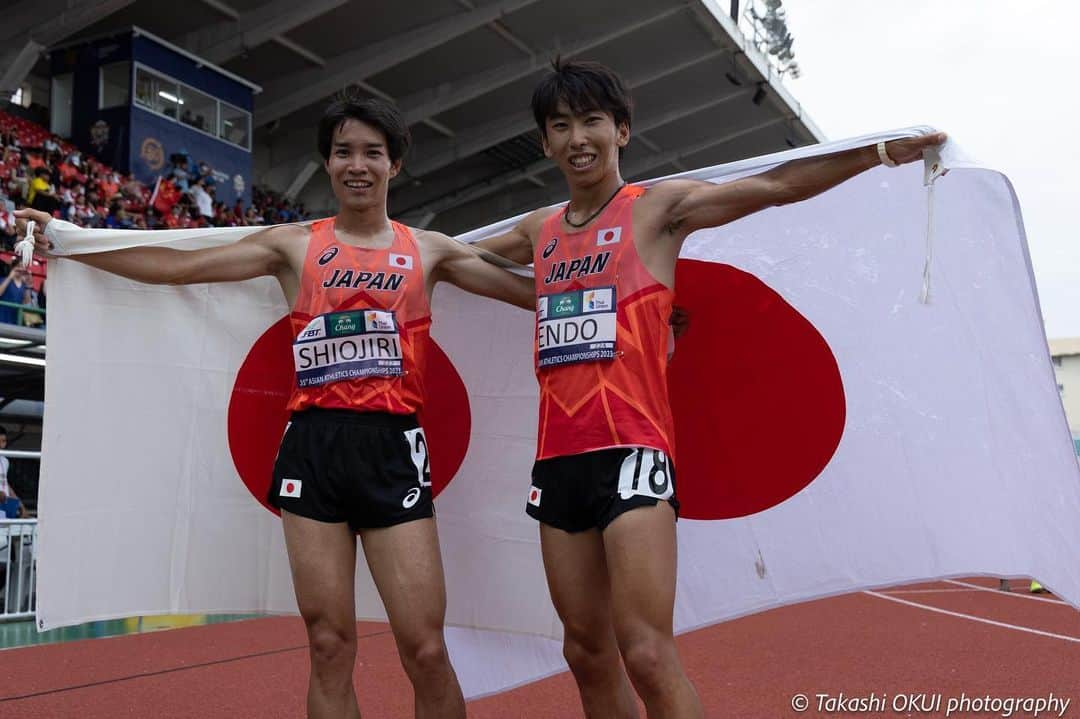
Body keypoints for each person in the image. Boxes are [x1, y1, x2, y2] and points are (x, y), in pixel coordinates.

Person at [18, 91, 535, 719]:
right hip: (312, 451)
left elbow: (532, 294)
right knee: (328, 644)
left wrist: (629, 299)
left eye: (373, 152)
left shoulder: (429, 251)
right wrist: (73, 244)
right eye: (344, 152)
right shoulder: (293, 246)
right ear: (327, 162)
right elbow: (182, 267)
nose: (358, 165)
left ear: (394, 165)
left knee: (425, 649)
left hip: (394, 452)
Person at [476, 58, 946, 718]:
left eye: (592, 121)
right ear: (546, 142)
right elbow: (441, 258)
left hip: (634, 454)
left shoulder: (658, 210)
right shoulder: (538, 233)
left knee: (644, 650)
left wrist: (875, 154)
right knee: (583, 651)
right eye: (561, 126)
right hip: (557, 461)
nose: (578, 138)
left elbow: (774, 184)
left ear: (622, 131)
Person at [0, 426, 23, 519]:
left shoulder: (5, 461)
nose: (1, 445)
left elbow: (6, 484)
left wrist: (21, 506)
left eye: (3, 441)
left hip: (4, 508)